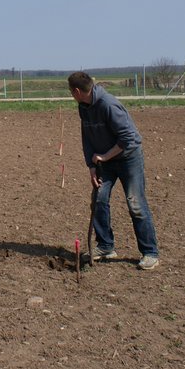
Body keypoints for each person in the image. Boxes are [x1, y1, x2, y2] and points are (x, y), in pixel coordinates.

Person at [68, 71, 160, 270]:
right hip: (105, 161)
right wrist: (92, 166)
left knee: (135, 204)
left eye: (70, 92)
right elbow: (87, 138)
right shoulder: (83, 107)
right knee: (99, 199)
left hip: (129, 158)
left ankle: (150, 252)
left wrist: (105, 156)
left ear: (76, 91)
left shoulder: (108, 105)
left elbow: (128, 138)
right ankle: (105, 246)